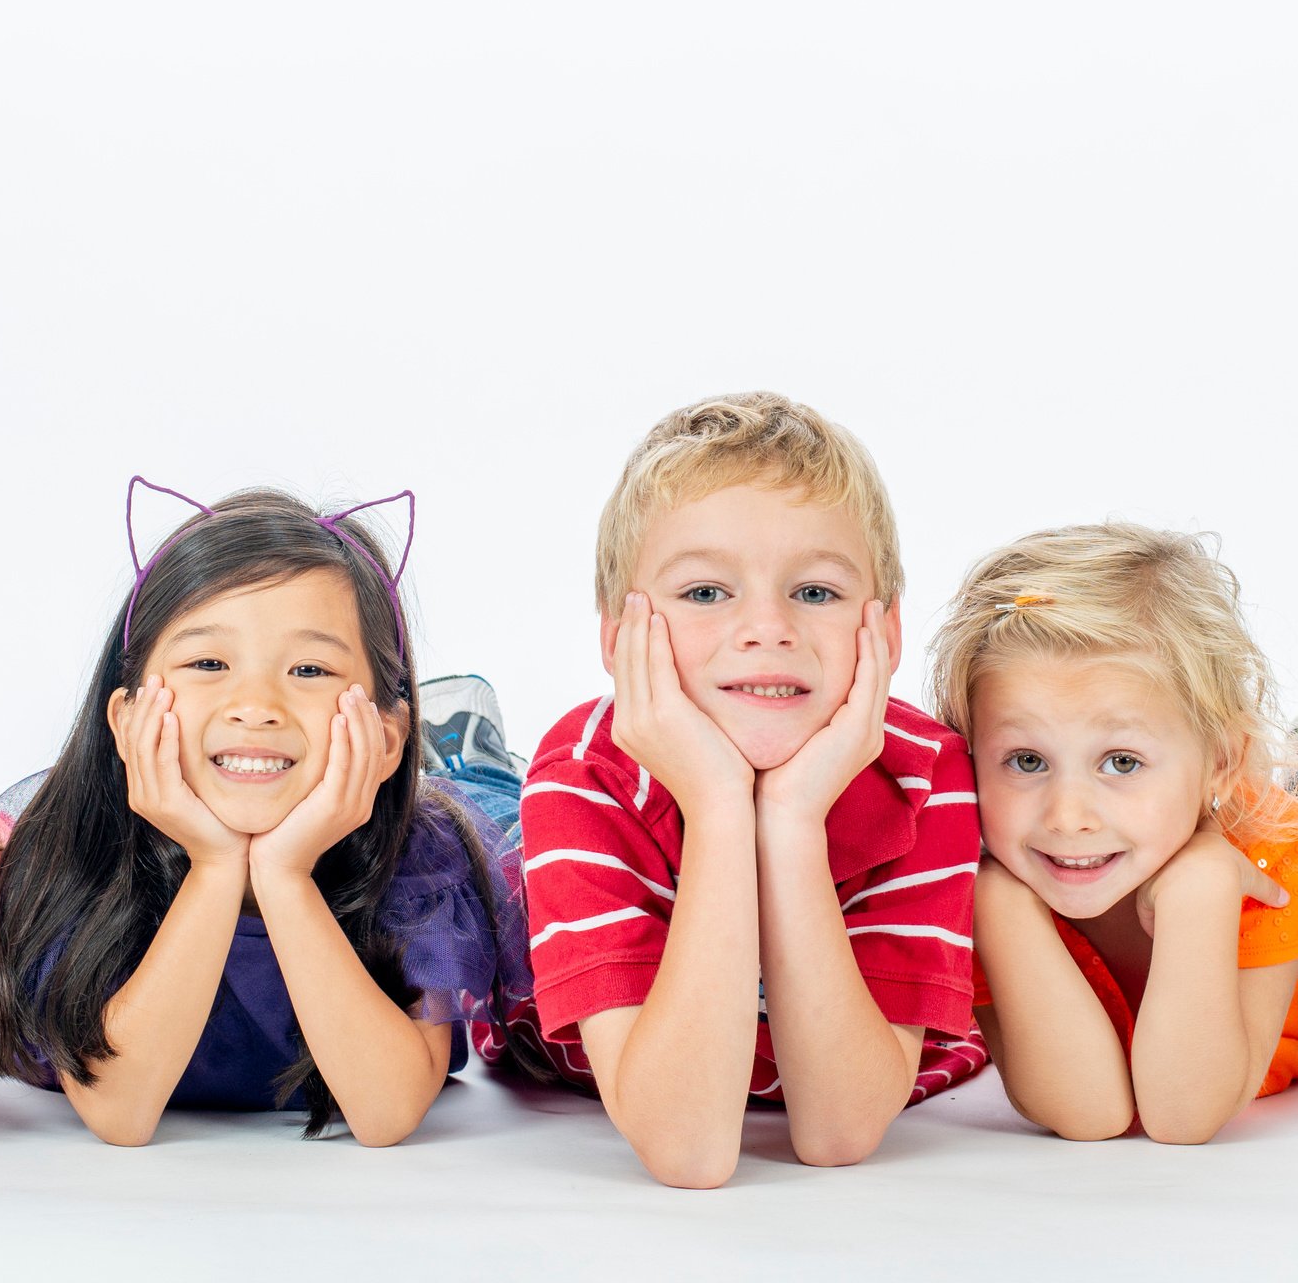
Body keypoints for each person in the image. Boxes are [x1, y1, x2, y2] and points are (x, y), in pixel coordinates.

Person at [0, 482, 531, 1146]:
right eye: (208, 662)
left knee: (484, 796)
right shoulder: (68, 849)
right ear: (124, 719)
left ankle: (455, 743)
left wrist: (283, 874)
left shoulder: (422, 858)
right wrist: (213, 865)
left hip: (420, 796)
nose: (256, 704)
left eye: (310, 669)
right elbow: (120, 1114)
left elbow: (385, 1113)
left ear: (384, 735)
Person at [514, 393, 985, 1187]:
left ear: (887, 630)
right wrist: (716, 805)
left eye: (815, 592)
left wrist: (792, 818)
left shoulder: (926, 772)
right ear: (615, 635)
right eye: (705, 592)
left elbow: (838, 1129)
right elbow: (688, 1149)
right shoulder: (582, 777)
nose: (767, 627)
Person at [930, 523, 1298, 1142]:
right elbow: (1088, 1113)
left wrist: (1201, 889)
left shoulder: (1269, 855)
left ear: (1222, 761)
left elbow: (1185, 1117)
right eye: (1026, 761)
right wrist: (999, 905)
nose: (1067, 816)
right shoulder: (979, 878)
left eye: (1122, 762)